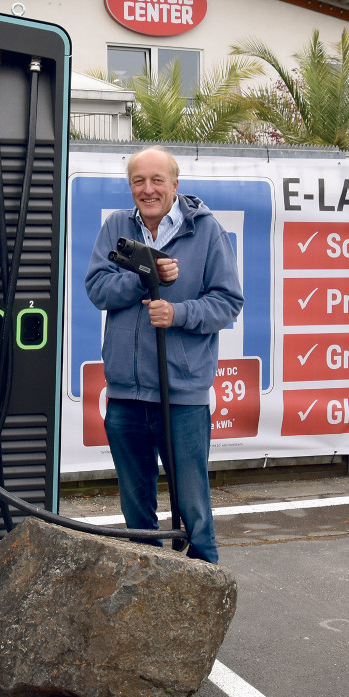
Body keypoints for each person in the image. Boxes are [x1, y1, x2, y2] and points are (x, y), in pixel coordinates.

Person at [85, 146, 243, 563]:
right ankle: (149, 593)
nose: (148, 189)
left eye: (157, 180)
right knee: (136, 512)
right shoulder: (117, 226)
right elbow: (97, 288)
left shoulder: (205, 231)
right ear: (130, 186)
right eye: (139, 181)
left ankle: (204, 588)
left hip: (182, 396)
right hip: (125, 395)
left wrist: (177, 313)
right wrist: (144, 278)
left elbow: (228, 302)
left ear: (175, 184)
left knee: (192, 508)